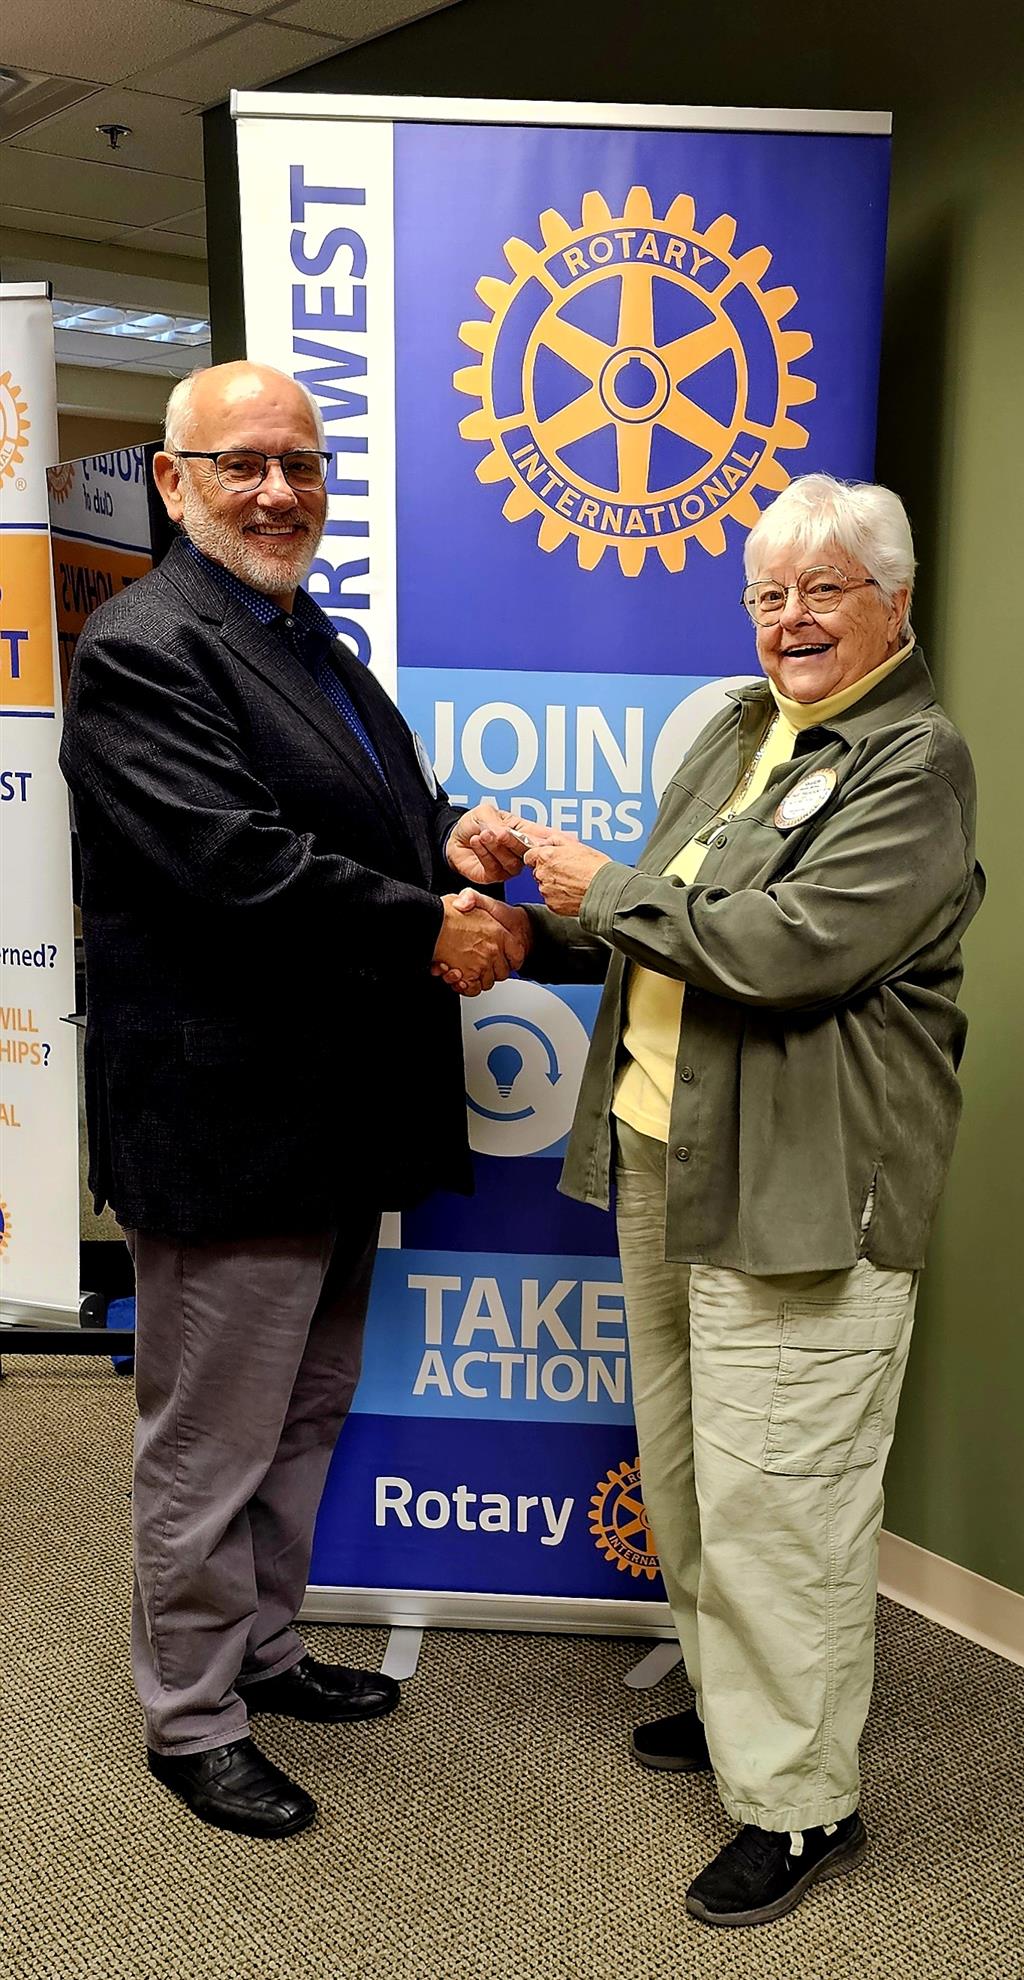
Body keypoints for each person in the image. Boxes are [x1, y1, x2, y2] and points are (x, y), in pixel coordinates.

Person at [454, 474, 984, 1926]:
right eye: (767, 594)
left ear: (895, 604)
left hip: (802, 1187)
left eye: (824, 589)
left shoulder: (915, 764)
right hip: (664, 1153)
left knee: (784, 1502)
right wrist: (535, 919)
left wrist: (598, 887)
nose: (789, 619)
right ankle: (735, 1699)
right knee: (691, 1474)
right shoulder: (745, 730)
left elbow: (787, 948)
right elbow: (673, 926)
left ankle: (803, 1806)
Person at [59, 361, 528, 1839]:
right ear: (175, 481)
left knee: (304, 1413)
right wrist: (428, 924)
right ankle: (191, 1719)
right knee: (209, 1443)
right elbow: (234, 860)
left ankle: (263, 1651)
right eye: (245, 463)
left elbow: (368, 811)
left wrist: (452, 837)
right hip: (227, 1124)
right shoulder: (146, 647)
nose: (280, 492)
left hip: (334, 1117)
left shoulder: (299, 632)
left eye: (302, 465)